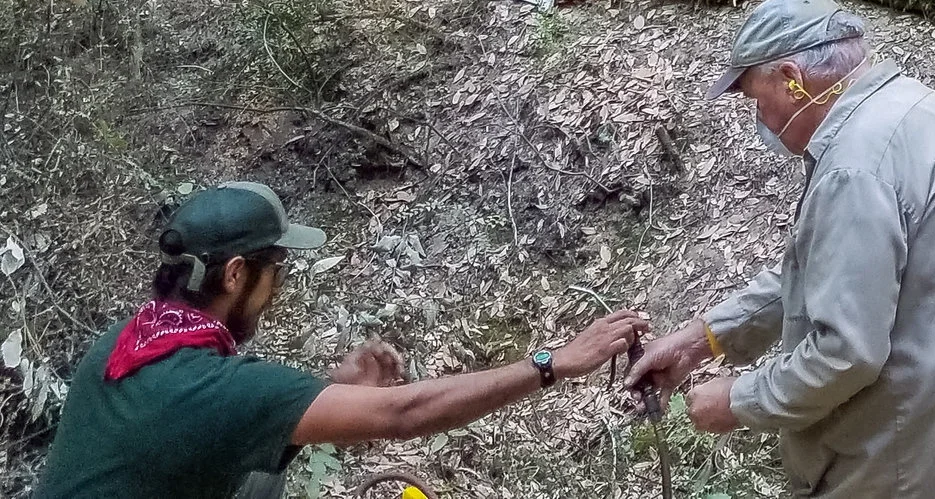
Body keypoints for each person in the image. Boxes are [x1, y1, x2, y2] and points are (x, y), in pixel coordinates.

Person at [624, 0, 935, 499]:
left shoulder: (854, 168)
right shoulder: (913, 106)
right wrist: (706, 338)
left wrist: (739, 399)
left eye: (759, 99)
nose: (760, 117)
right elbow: (830, 275)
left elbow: (846, 352)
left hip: (907, 450)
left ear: (792, 80)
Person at [33, 181, 646, 499]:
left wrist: (329, 391)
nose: (280, 288)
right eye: (278, 270)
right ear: (236, 274)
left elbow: (216, 423)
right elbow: (405, 414)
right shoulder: (213, 386)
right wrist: (554, 363)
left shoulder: (128, 340)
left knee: (259, 477)